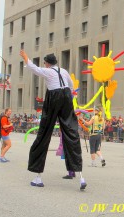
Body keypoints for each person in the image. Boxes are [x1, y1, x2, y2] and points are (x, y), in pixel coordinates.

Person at [20, 50, 86, 190]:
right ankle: (81, 176)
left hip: (54, 97)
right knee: (71, 132)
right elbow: (71, 86)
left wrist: (26, 57)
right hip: (67, 97)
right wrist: (70, 99)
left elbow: (34, 68)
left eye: (45, 63)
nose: (44, 64)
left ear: (47, 63)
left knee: (44, 132)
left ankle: (38, 177)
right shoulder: (64, 71)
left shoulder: (48, 71)